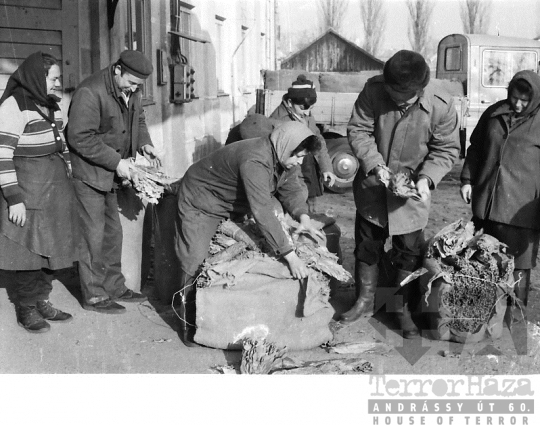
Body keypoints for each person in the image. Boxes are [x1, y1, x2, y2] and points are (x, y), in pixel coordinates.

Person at [175, 121, 324, 346]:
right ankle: (187, 317)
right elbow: (262, 209)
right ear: (286, 146)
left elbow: (291, 190)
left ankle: (221, 310)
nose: (299, 162)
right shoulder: (256, 158)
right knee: (195, 257)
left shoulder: (285, 157)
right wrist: (289, 255)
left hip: (234, 201)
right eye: (298, 157)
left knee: (246, 253)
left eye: (303, 158)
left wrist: (303, 216)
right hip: (202, 199)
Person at [344, 50, 460, 338]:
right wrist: (374, 163)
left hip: (413, 195)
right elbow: (359, 130)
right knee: (367, 246)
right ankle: (365, 300)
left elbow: (446, 150)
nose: (397, 100)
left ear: (420, 90)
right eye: (392, 93)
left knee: (408, 254)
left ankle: (402, 309)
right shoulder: (372, 90)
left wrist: (427, 179)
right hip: (374, 188)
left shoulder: (441, 105)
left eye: (404, 97)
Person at [66, 50, 162, 314]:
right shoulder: (90, 92)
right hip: (90, 174)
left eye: (138, 85)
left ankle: (114, 287)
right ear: (117, 69)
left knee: (112, 234)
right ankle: (94, 295)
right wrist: (118, 163)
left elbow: (138, 119)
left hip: (112, 173)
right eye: (131, 82)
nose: (134, 88)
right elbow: (79, 137)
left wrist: (145, 144)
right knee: (92, 236)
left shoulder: (132, 89)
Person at [0, 52, 77, 333]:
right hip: (27, 185)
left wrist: (68, 172)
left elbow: (62, 144)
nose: (57, 84)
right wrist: (14, 199)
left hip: (53, 187)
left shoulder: (51, 104)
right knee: (28, 253)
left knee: (51, 249)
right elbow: (2, 154)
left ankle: (42, 299)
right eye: (53, 78)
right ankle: (26, 307)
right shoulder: (14, 106)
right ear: (36, 76)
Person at [460, 70, 540, 327]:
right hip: (488, 200)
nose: (517, 104)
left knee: (518, 265)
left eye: (524, 100)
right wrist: (467, 180)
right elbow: (475, 149)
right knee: (483, 258)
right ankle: (484, 314)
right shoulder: (494, 113)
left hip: (521, 208)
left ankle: (515, 319)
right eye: (514, 97)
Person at [269, 75, 337, 211]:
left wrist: (326, 168)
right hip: (293, 175)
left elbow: (318, 140)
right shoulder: (278, 121)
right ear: (289, 102)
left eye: (310, 109)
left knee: (311, 209)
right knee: (295, 210)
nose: (307, 113)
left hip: (308, 169)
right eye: (304, 108)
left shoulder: (303, 113)